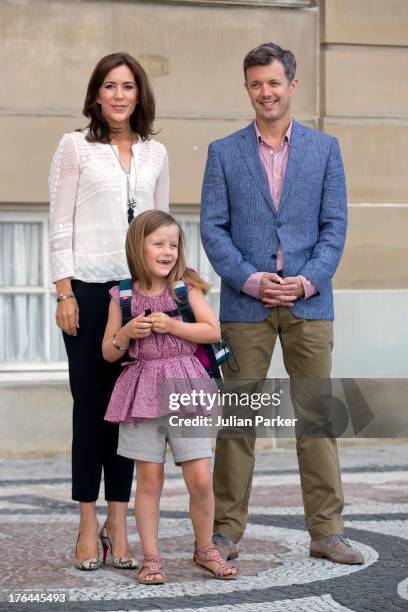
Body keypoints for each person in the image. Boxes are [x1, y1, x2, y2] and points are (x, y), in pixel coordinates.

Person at [200, 42, 364, 565]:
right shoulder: (223, 152)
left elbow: (335, 227)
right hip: (245, 308)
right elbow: (212, 230)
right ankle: (224, 532)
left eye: (273, 82)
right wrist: (250, 280)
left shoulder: (325, 149)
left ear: (292, 85)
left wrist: (306, 281)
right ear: (246, 88)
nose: (265, 92)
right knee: (238, 423)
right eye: (255, 83)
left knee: (315, 419)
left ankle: (327, 531)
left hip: (309, 305)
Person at [49, 52, 169, 571]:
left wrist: (168, 288)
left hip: (137, 292)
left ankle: (117, 524)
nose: (119, 95)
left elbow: (163, 226)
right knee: (91, 410)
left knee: (132, 413)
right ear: (97, 94)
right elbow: (59, 224)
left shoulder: (157, 153)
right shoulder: (74, 146)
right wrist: (64, 292)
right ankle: (85, 522)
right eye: (110, 86)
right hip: (89, 292)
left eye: (128, 86)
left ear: (139, 95)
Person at [102, 210, 239, 583]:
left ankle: (204, 549)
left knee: (201, 479)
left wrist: (174, 326)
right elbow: (109, 351)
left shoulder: (185, 288)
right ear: (138, 247)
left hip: (186, 390)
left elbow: (212, 331)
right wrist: (128, 332)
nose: (167, 251)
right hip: (141, 390)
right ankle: (151, 557)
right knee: (148, 480)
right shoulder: (122, 296)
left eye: (173, 244)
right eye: (158, 244)